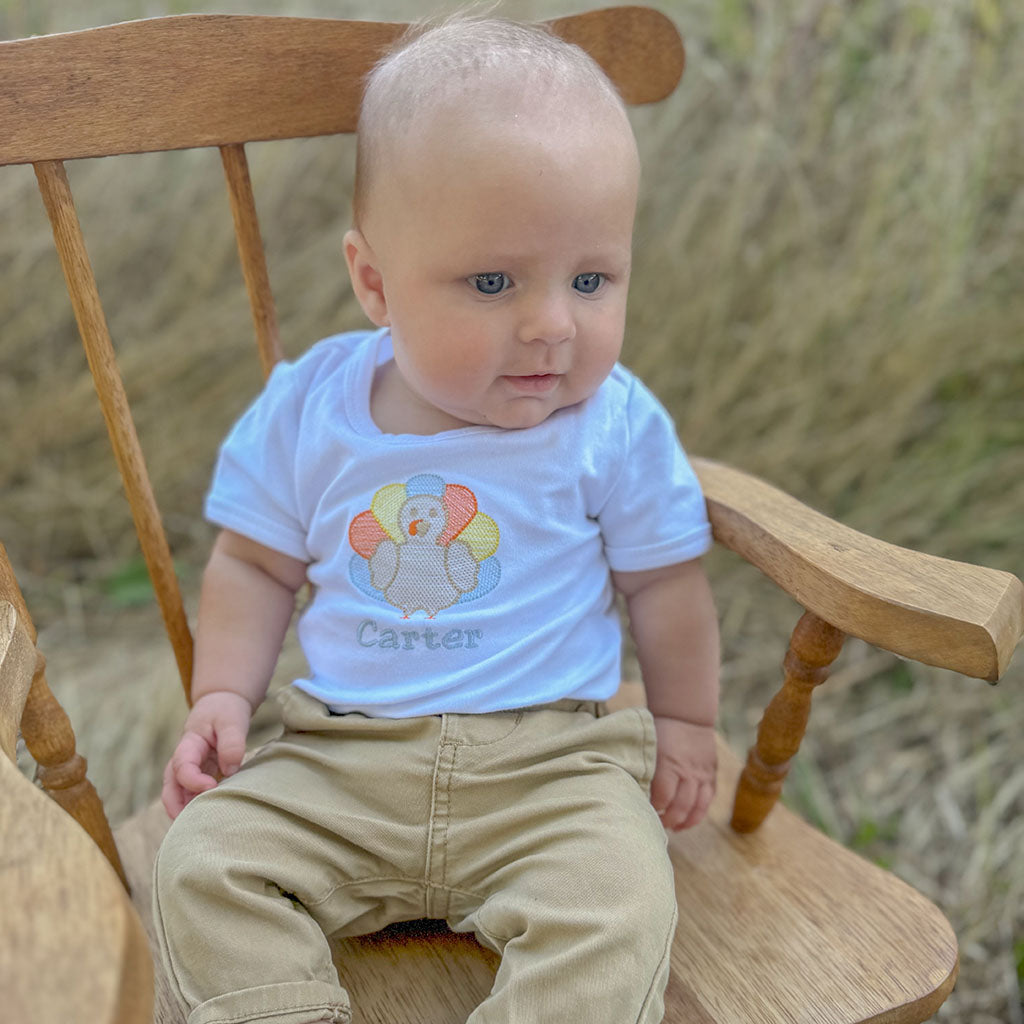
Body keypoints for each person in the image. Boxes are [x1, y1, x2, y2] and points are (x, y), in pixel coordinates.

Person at [154, 14, 720, 1024]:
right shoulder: (309, 406)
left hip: (552, 767)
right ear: (375, 281)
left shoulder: (611, 421)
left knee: (621, 899)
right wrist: (223, 697)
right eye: (493, 282)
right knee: (201, 861)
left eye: (589, 279)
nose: (551, 322)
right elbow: (252, 565)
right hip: (340, 758)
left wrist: (684, 719)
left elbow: (665, 580)